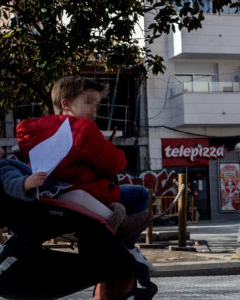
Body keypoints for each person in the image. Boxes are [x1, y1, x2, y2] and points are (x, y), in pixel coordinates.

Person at [16, 76, 152, 244]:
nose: (94, 111)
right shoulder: (82, 129)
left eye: (96, 104)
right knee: (140, 193)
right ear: (66, 104)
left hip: (50, 196)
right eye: (88, 102)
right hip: (86, 193)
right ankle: (127, 246)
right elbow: (116, 164)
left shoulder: (31, 131)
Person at [0, 131, 128, 232]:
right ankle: (119, 222)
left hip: (47, 198)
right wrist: (27, 183)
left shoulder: (2, 164)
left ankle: (113, 221)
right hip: (46, 202)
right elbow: (11, 184)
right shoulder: (1, 166)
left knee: (80, 196)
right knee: (79, 196)